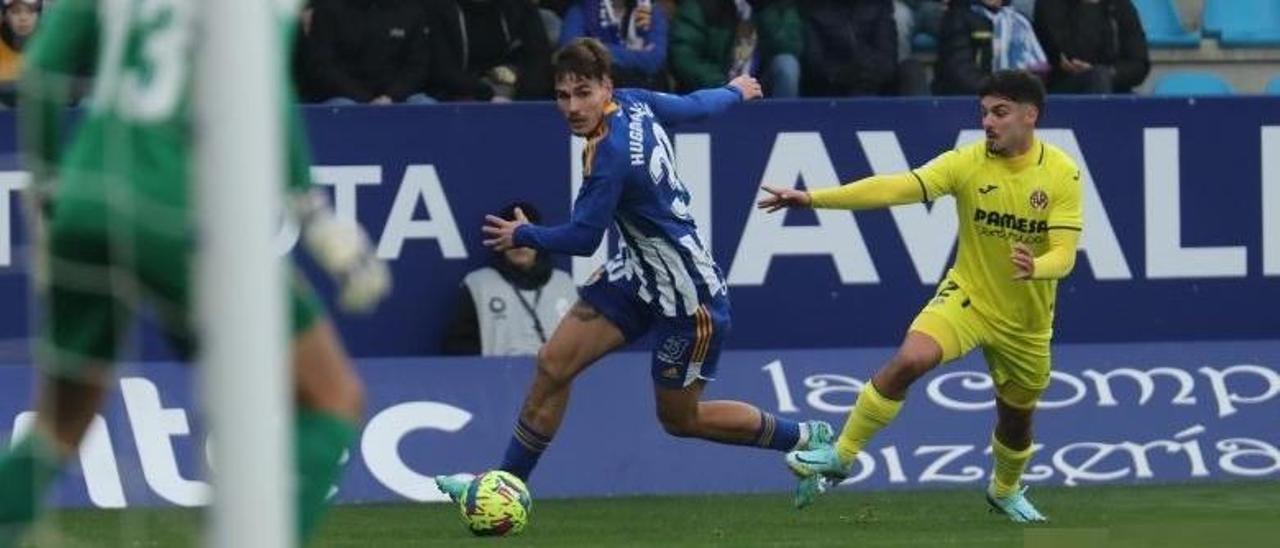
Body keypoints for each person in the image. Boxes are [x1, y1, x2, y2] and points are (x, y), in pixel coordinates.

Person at [0, 0, 390, 544]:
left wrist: (46, 202)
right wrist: (312, 212)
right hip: (181, 213)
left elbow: (39, 72)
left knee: (57, 427)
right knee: (332, 397)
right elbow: (265, 94)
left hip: (86, 202)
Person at [435, 37, 832, 497]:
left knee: (681, 419)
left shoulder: (612, 157)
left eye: (583, 93)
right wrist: (736, 90)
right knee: (553, 364)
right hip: (638, 275)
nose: (572, 107)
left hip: (688, 299)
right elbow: (694, 106)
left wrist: (523, 235)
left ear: (606, 86)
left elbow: (583, 239)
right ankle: (505, 488)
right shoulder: (635, 103)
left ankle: (806, 438)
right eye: (563, 96)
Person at [760, 70, 1082, 522]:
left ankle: (1004, 489)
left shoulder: (1062, 174)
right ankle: (842, 454)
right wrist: (813, 199)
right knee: (910, 360)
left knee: (1016, 420)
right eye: (984, 112)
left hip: (1026, 321)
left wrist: (1038, 267)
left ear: (1030, 116)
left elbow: (1065, 256)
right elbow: (895, 187)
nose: (987, 122)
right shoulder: (967, 162)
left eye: (1000, 112)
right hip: (967, 297)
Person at [441, 202, 576, 356]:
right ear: (500, 239)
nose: (519, 245)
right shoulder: (479, 285)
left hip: (557, 377)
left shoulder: (564, 284)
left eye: (526, 237)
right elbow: (459, 348)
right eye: (513, 238)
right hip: (496, 377)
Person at [934, 0, 1048, 95]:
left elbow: (1037, 67)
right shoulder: (956, 18)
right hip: (967, 99)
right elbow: (960, 68)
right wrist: (996, 89)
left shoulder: (1019, 21)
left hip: (1010, 97)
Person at [1033, 0, 1148, 94]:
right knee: (1097, 77)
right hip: (1063, 88)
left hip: (1113, 86)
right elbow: (1073, 55)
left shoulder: (1120, 6)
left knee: (1100, 77)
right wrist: (1089, 5)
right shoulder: (1050, 4)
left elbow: (1140, 64)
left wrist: (1110, 73)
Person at [558, 0, 670, 91]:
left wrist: (597, 48)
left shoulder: (650, 11)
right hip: (594, 94)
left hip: (643, 94)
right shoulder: (581, 9)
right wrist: (636, 53)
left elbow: (654, 60)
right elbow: (572, 51)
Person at [0, 0, 41, 107]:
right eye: (16, 12)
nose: (23, 18)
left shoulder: (54, 41)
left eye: (31, 11)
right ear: (5, 15)